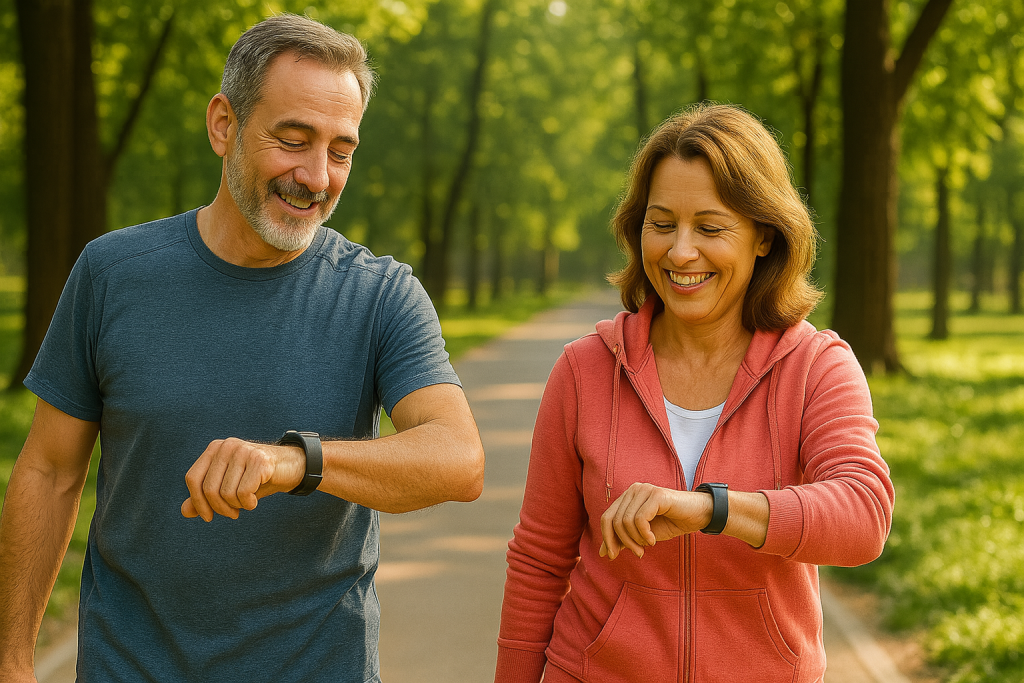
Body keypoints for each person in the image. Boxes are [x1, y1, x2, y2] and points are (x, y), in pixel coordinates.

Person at [0, 14, 484, 683]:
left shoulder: (380, 294)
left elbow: (458, 459)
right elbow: (49, 471)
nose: (316, 176)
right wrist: (12, 661)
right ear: (223, 124)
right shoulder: (112, 274)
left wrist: (295, 461)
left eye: (340, 151)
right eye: (293, 141)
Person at [494, 103, 894, 683]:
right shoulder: (585, 369)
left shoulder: (816, 367)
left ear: (763, 236)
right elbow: (539, 561)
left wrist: (711, 509)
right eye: (661, 224)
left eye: (710, 228)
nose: (680, 252)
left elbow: (863, 515)